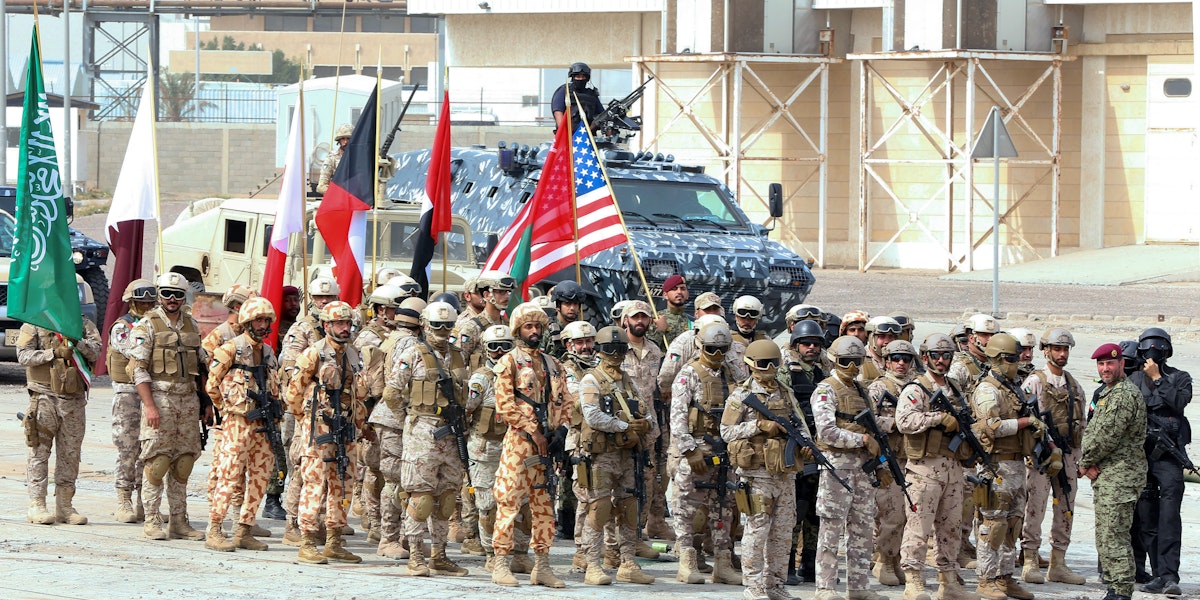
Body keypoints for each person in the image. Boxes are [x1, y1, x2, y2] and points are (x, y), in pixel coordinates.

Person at [489, 302, 573, 588]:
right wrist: (532, 430)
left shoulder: (554, 363)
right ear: (518, 330)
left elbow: (566, 401)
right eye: (529, 326)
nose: (534, 331)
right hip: (519, 445)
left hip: (546, 446)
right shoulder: (509, 362)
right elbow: (504, 405)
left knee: (544, 504)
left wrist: (561, 429)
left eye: (538, 326)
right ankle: (501, 561)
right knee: (509, 502)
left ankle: (543, 565)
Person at [972, 332, 1061, 600]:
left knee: (1013, 524)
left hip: (1016, 466)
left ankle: (1005, 577)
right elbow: (991, 427)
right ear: (998, 360)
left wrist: (1050, 448)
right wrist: (1024, 424)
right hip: (995, 467)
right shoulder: (987, 390)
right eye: (1011, 358)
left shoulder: (1013, 389)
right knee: (993, 526)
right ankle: (986, 579)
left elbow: (1033, 420)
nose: (1017, 362)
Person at [722, 339, 810, 600]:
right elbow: (726, 431)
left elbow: (801, 425)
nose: (769, 368)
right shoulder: (741, 395)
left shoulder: (785, 392)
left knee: (783, 532)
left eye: (774, 363)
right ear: (751, 365)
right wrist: (758, 427)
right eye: (763, 364)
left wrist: (806, 445)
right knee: (757, 529)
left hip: (785, 472)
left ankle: (775, 584)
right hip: (757, 473)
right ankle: (753, 585)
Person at [129, 272, 210, 541]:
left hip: (188, 401)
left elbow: (201, 366)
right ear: (159, 296)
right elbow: (138, 370)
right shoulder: (146, 326)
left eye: (177, 294)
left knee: (183, 462)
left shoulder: (191, 325)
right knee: (157, 461)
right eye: (166, 294)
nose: (172, 299)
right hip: (160, 400)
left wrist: (206, 402)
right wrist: (150, 406)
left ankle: (179, 521)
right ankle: (152, 520)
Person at [287, 301, 370, 564]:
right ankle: (308, 541)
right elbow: (293, 393)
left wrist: (360, 424)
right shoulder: (314, 354)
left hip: (345, 428)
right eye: (339, 324)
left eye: (348, 324)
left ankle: (334, 540)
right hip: (318, 430)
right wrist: (306, 423)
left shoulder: (354, 354)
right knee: (314, 482)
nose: (345, 329)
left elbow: (359, 394)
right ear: (326, 326)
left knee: (342, 483)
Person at [576, 326, 657, 586]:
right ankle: (592, 565)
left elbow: (647, 412)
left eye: (620, 349)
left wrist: (645, 424)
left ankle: (628, 563)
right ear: (599, 351)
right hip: (601, 456)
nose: (615, 354)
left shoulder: (628, 380)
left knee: (629, 508)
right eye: (609, 349)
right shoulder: (591, 379)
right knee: (598, 509)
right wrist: (624, 426)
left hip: (627, 455)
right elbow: (592, 415)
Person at [895, 333, 973, 600]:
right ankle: (913, 579)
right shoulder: (915, 389)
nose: (942, 361)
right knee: (918, 527)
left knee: (951, 528)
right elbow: (904, 421)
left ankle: (948, 580)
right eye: (936, 356)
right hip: (924, 470)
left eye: (947, 356)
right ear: (925, 357)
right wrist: (938, 418)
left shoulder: (954, 388)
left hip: (952, 469)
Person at [397, 301, 472, 577]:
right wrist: (414, 415)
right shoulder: (413, 353)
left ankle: (438, 555)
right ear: (425, 325)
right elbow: (393, 392)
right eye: (437, 325)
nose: (442, 331)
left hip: (452, 434)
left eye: (448, 326)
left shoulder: (457, 355)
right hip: (422, 433)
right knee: (420, 496)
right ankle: (416, 555)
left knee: (447, 498)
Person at [812, 335, 886, 600]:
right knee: (831, 529)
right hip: (837, 469)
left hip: (863, 469)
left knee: (862, 529)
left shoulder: (862, 391)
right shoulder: (825, 390)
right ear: (835, 360)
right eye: (847, 361)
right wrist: (862, 439)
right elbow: (827, 432)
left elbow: (875, 426)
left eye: (857, 361)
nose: (853, 367)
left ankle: (858, 586)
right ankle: (826, 587)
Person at [204, 297, 280, 552]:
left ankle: (244, 529)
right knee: (229, 475)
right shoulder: (230, 349)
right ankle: (215, 528)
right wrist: (227, 411)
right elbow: (212, 385)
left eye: (266, 320)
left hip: (263, 424)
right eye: (258, 320)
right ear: (247, 322)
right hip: (238, 422)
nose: (263, 325)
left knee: (260, 476)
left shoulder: (268, 352)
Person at [670, 320, 741, 586]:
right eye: (713, 348)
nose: (718, 354)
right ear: (701, 346)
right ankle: (686, 560)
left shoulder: (729, 373)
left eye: (723, 349)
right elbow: (677, 418)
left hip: (725, 451)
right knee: (685, 507)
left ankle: (722, 562)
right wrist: (690, 451)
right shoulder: (688, 374)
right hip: (697, 448)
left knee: (723, 507)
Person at [1019, 328, 1088, 586]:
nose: (1061, 354)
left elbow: (1080, 422)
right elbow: (1023, 418)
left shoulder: (1073, 384)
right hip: (1040, 456)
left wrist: (1079, 457)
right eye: (1057, 349)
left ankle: (1058, 562)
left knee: (1066, 508)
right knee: (1035, 507)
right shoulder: (1035, 382)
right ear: (1045, 350)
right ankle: (1029, 560)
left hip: (1068, 454)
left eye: (1065, 349)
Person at [20, 315, 102, 526]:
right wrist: (53, 353)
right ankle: (37, 504)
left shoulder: (82, 323)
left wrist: (77, 342)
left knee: (70, 454)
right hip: (44, 396)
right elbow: (23, 355)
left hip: (73, 400)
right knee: (39, 451)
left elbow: (96, 352)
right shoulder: (35, 322)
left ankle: (65, 506)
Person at [1128, 327, 1192, 596]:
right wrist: (1155, 394)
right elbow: (1135, 409)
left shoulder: (1181, 377)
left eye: (1159, 346)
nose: (1154, 351)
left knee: (1168, 520)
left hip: (1169, 460)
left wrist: (1157, 380)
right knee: (1146, 520)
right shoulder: (1132, 380)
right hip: (1141, 458)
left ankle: (1169, 576)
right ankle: (1156, 574)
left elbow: (1178, 402)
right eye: (1149, 346)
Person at [1082, 343, 1147, 600]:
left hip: (1120, 476)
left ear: (1121, 364)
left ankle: (1120, 591)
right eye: (1100, 364)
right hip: (1109, 475)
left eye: (1110, 363)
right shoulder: (1108, 393)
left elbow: (1105, 437)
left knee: (1114, 535)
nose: (1105, 368)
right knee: (1106, 534)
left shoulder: (1122, 395)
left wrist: (1084, 462)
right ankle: (1114, 587)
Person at [279, 277, 340, 545]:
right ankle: (293, 522)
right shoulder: (302, 328)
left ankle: (322, 521)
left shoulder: (343, 326)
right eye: (318, 298)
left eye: (328, 298)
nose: (323, 302)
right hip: (307, 407)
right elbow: (291, 368)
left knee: (330, 468)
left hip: (334, 409)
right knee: (302, 465)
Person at [466, 325, 521, 572]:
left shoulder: (522, 375)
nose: (499, 352)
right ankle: (491, 553)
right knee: (487, 505)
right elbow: (466, 409)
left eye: (505, 347)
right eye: (493, 347)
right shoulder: (480, 379)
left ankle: (519, 553)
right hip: (485, 449)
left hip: (515, 449)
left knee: (519, 503)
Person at [778, 320, 827, 585]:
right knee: (795, 509)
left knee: (814, 511)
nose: (811, 348)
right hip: (796, 449)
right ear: (796, 346)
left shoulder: (822, 376)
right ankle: (785, 565)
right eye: (806, 344)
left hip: (818, 449)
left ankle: (809, 564)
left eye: (815, 344)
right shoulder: (785, 374)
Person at [866, 339, 917, 588]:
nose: (900, 363)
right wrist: (897, 423)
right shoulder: (878, 388)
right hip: (889, 457)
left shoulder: (916, 388)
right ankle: (884, 560)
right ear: (886, 361)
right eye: (895, 358)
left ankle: (896, 559)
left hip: (913, 457)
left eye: (905, 359)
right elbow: (869, 421)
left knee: (908, 514)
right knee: (890, 514)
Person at [108, 278, 157, 523]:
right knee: (128, 448)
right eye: (142, 303)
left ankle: (143, 501)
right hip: (128, 393)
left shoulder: (155, 326)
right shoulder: (123, 327)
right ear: (132, 303)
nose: (147, 307)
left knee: (148, 450)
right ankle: (124, 499)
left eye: (150, 302)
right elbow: (135, 352)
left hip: (152, 392)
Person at [551, 62, 605, 132]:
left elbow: (602, 115)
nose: (581, 79)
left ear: (587, 78)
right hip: (568, 136)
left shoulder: (592, 95)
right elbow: (558, 112)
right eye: (578, 76)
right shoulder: (564, 91)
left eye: (583, 76)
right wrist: (564, 132)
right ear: (573, 77)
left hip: (588, 137)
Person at [543, 280, 587, 358]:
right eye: (567, 304)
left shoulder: (583, 330)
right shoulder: (546, 331)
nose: (572, 308)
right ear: (558, 306)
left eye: (575, 304)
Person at [651, 273, 691, 352]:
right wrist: (660, 330)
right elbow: (649, 347)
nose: (679, 292)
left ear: (687, 295)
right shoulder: (655, 318)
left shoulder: (692, 321)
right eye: (674, 289)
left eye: (683, 289)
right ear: (665, 295)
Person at [316, 123, 354, 195]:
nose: (346, 142)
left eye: (348, 138)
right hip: (339, 199)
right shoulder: (332, 159)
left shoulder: (359, 159)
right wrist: (338, 194)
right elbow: (321, 186)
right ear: (339, 140)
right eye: (343, 138)